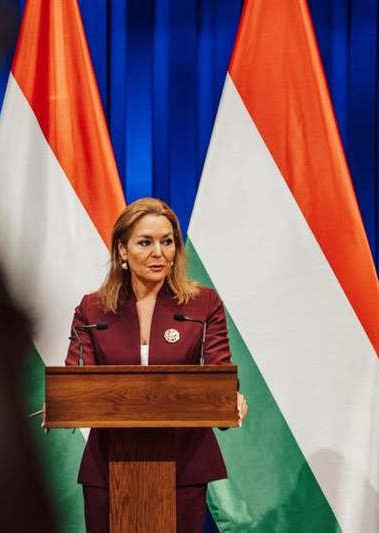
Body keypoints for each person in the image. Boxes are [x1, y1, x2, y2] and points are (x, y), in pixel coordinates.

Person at [66, 197, 248, 533]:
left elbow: (219, 373)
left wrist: (230, 398)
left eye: (167, 242)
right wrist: (63, 400)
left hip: (184, 465)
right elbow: (76, 385)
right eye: (145, 242)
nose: (158, 253)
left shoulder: (202, 305)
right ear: (122, 250)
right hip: (109, 467)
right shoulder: (93, 309)